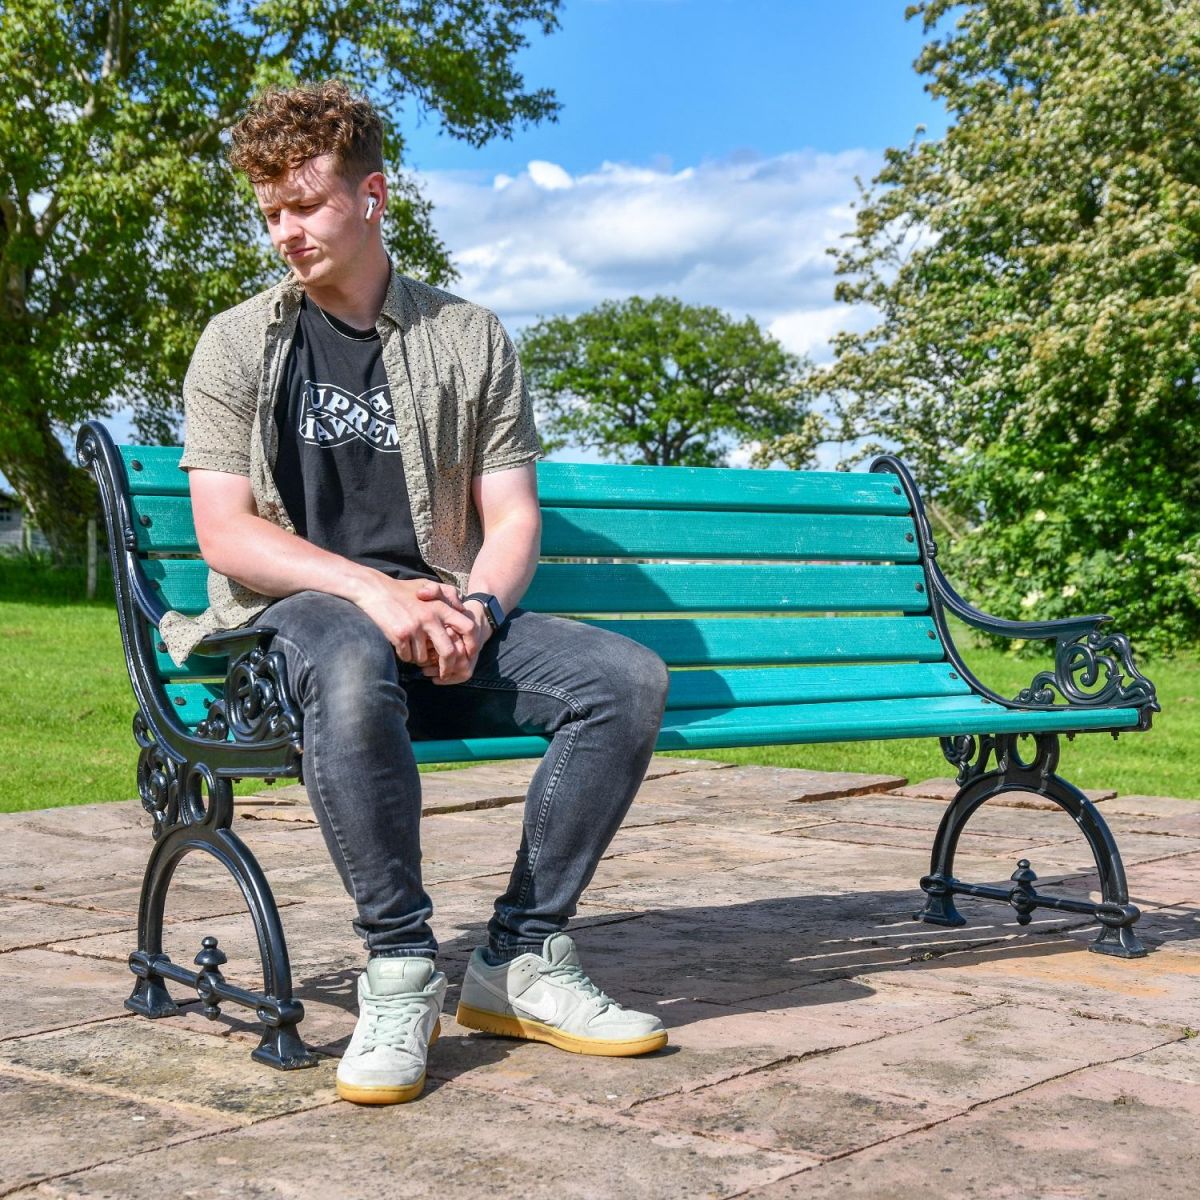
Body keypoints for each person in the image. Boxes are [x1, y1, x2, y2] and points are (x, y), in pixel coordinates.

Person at [163, 80, 671, 1105]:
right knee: (349, 652)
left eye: (305, 204)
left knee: (622, 678)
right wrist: (373, 595)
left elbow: (513, 516)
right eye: (270, 213)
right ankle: (399, 967)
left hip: (442, 612)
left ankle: (518, 960)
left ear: (373, 195)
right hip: (293, 621)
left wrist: (476, 610)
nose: (286, 233)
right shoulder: (236, 344)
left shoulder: (468, 337)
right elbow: (228, 533)